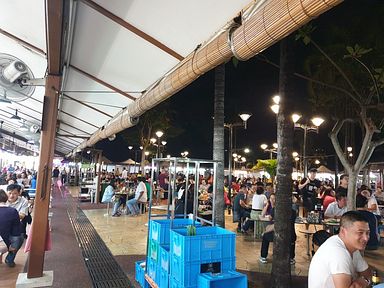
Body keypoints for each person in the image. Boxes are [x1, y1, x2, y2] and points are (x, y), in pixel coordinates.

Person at [308, 211, 372, 288]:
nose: (366, 238)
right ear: (343, 231)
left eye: (367, 233)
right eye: (360, 233)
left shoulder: (352, 247)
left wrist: (365, 280)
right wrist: (362, 281)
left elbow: (367, 273)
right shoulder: (338, 253)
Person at [0, 189, 22, 267]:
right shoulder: (13, 211)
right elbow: (16, 231)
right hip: (5, 244)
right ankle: (9, 259)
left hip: (3, 242)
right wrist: (9, 245)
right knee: (20, 237)